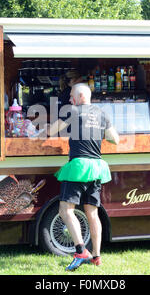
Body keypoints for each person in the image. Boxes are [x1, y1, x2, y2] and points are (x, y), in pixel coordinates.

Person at [47, 83, 119, 271]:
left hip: (78, 167)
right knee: (92, 213)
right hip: (96, 167)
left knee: (65, 210)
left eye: (71, 95)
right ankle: (96, 256)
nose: (70, 99)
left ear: (80, 96)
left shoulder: (73, 110)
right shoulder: (102, 114)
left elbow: (52, 130)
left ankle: (80, 250)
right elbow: (115, 139)